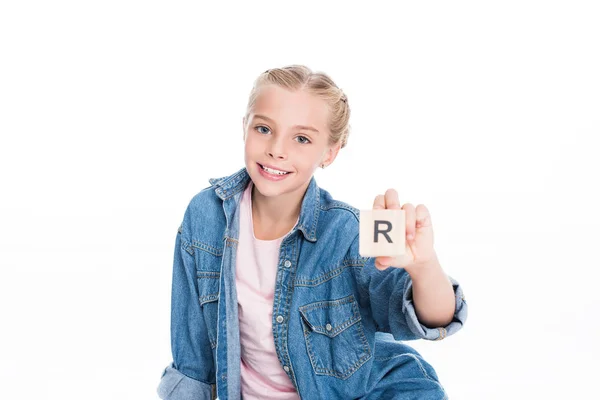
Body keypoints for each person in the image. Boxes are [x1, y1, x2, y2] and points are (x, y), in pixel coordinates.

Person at [157, 65, 468, 400]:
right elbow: (192, 359)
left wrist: (423, 266)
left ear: (329, 153)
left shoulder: (348, 231)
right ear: (244, 127)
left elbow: (432, 320)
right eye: (264, 128)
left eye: (301, 138)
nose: (277, 149)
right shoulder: (205, 216)